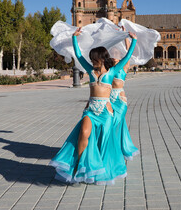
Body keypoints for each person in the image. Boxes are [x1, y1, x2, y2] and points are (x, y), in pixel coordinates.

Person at [49, 27, 137, 185]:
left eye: (94, 60)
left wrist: (133, 40)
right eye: (91, 60)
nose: (92, 62)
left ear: (102, 59)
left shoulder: (112, 71)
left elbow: (127, 56)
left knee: (103, 143)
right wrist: (74, 38)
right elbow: (78, 55)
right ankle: (80, 166)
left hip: (105, 112)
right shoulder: (90, 71)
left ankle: (98, 170)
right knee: (83, 133)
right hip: (90, 112)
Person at [110, 33, 139, 162]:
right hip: (109, 100)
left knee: (116, 123)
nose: (115, 57)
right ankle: (116, 148)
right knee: (114, 125)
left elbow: (129, 53)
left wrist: (127, 38)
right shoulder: (108, 69)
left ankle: (116, 148)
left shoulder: (124, 67)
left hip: (120, 101)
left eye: (117, 54)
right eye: (113, 54)